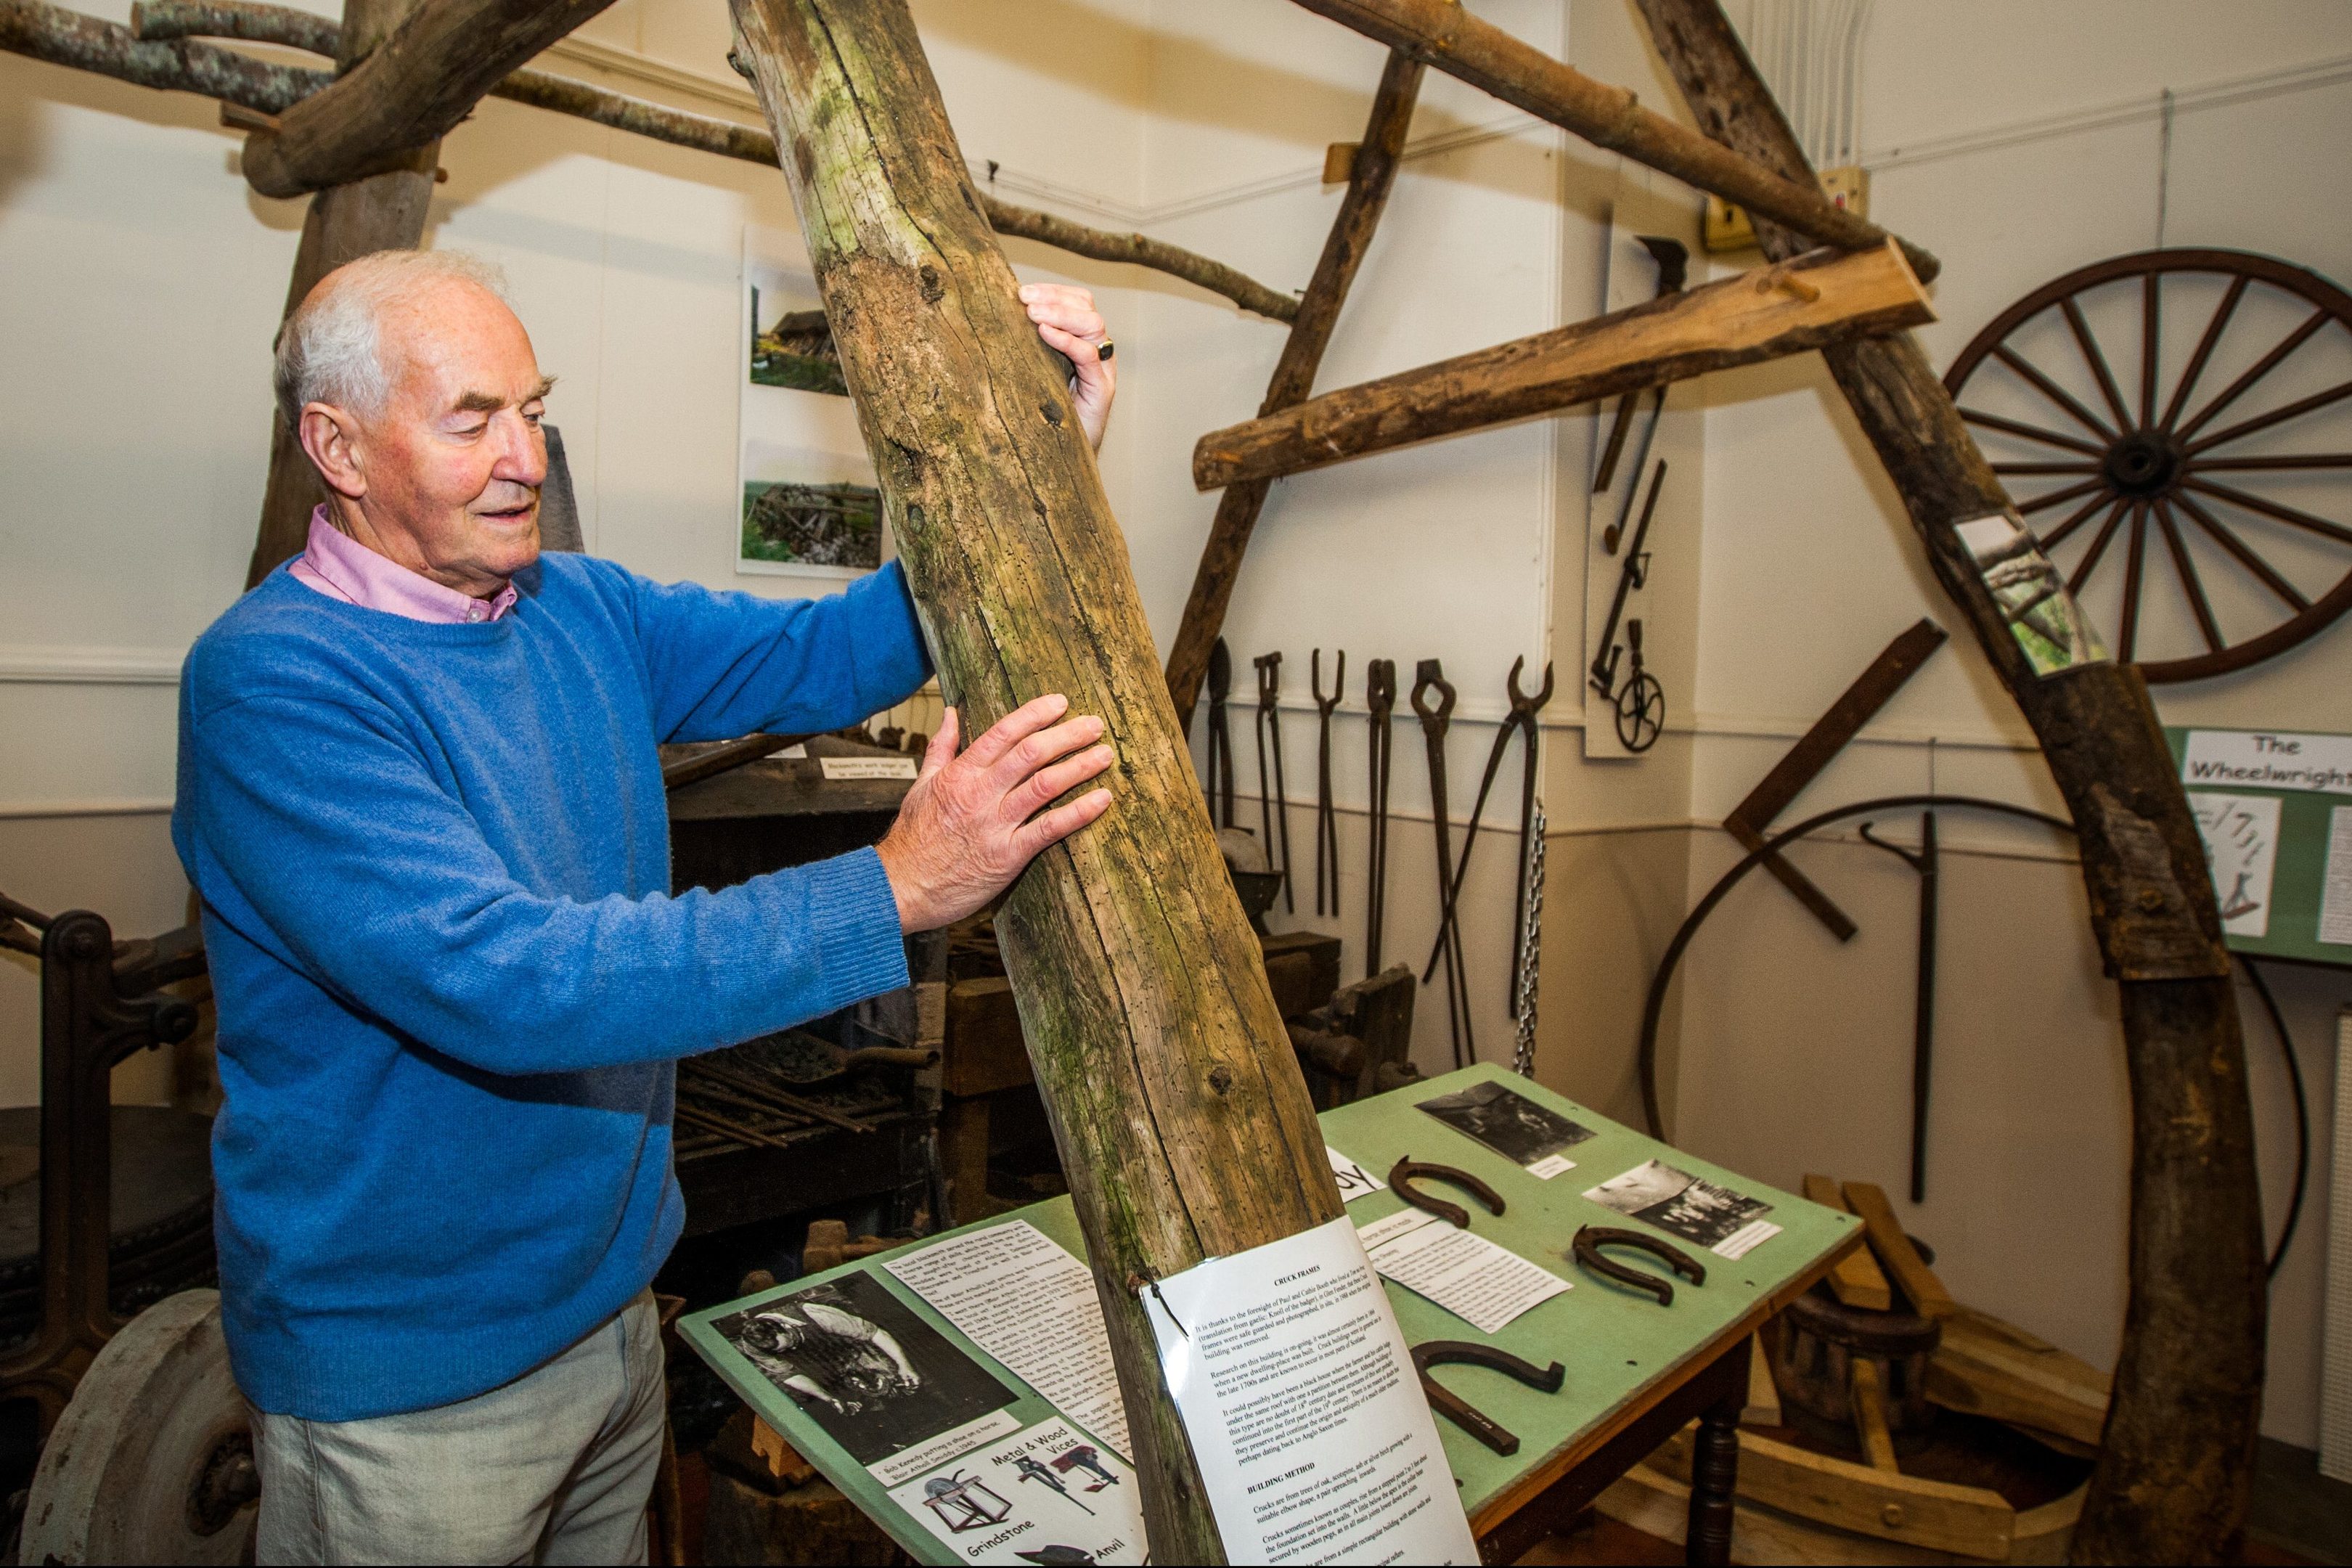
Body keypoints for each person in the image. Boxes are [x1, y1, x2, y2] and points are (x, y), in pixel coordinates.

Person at [171, 248, 1120, 1564]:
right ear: (336, 445)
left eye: (534, 408)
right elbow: (513, 983)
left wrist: (1036, 459)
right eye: (472, 420)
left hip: (614, 1314)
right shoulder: (273, 686)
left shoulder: (577, 608)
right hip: (416, 1384)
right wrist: (893, 886)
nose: (527, 457)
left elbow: (838, 651)